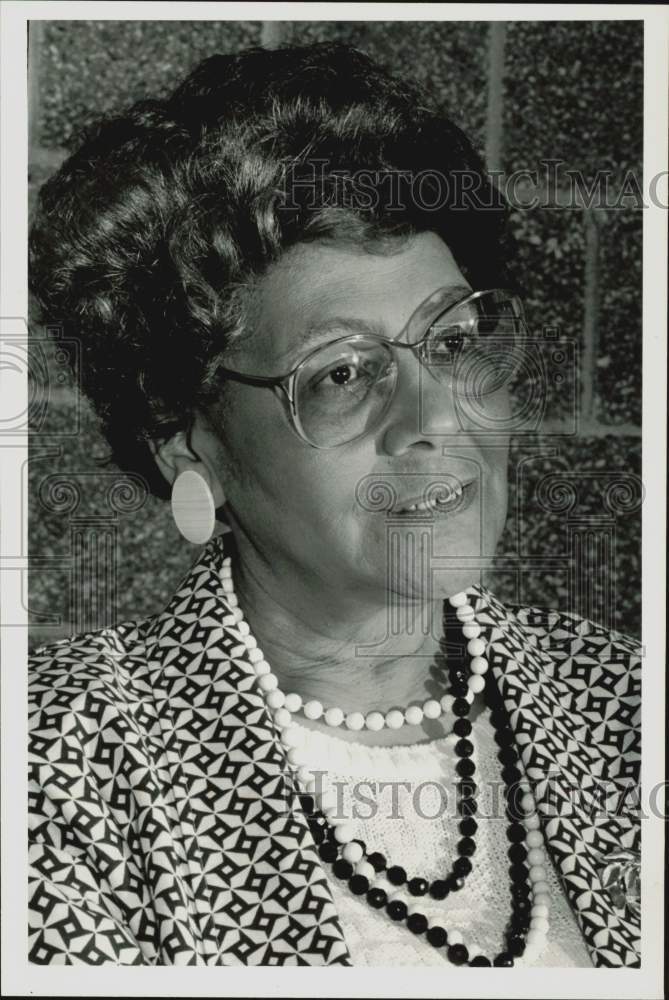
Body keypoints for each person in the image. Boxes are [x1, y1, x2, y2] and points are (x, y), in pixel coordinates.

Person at [28, 41, 640, 968]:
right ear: (190, 440)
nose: (433, 417)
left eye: (452, 341)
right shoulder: (58, 763)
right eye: (344, 373)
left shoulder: (624, 702)